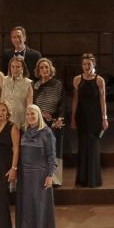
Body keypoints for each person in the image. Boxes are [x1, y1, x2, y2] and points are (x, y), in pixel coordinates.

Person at [18, 104, 58, 228]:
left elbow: (51, 155)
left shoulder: (47, 132)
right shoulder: (24, 131)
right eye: (28, 114)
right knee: (28, 202)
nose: (30, 117)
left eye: (33, 114)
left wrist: (50, 175)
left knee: (40, 203)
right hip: (25, 174)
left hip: (40, 173)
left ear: (39, 115)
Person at [72, 52, 110, 188]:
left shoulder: (99, 80)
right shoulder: (77, 79)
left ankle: (93, 180)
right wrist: (73, 117)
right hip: (82, 117)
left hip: (95, 117)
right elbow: (75, 99)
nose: (86, 66)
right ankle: (82, 180)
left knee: (93, 146)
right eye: (84, 64)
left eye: (89, 64)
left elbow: (102, 100)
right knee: (82, 146)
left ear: (94, 64)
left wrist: (104, 118)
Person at [31, 57, 67, 185]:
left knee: (54, 150)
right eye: (41, 68)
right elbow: (32, 104)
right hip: (39, 122)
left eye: (46, 67)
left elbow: (63, 105)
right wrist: (41, 114)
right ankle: (42, 178)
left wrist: (59, 119)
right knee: (40, 151)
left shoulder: (58, 84)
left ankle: (55, 180)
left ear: (50, 69)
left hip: (55, 123)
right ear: (38, 71)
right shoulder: (34, 85)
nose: (44, 69)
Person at [3, 56, 34, 129]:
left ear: (22, 68)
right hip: (4, 118)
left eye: (18, 67)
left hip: (20, 119)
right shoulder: (4, 80)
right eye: (12, 67)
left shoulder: (28, 83)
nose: (15, 69)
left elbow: (29, 105)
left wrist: (28, 122)